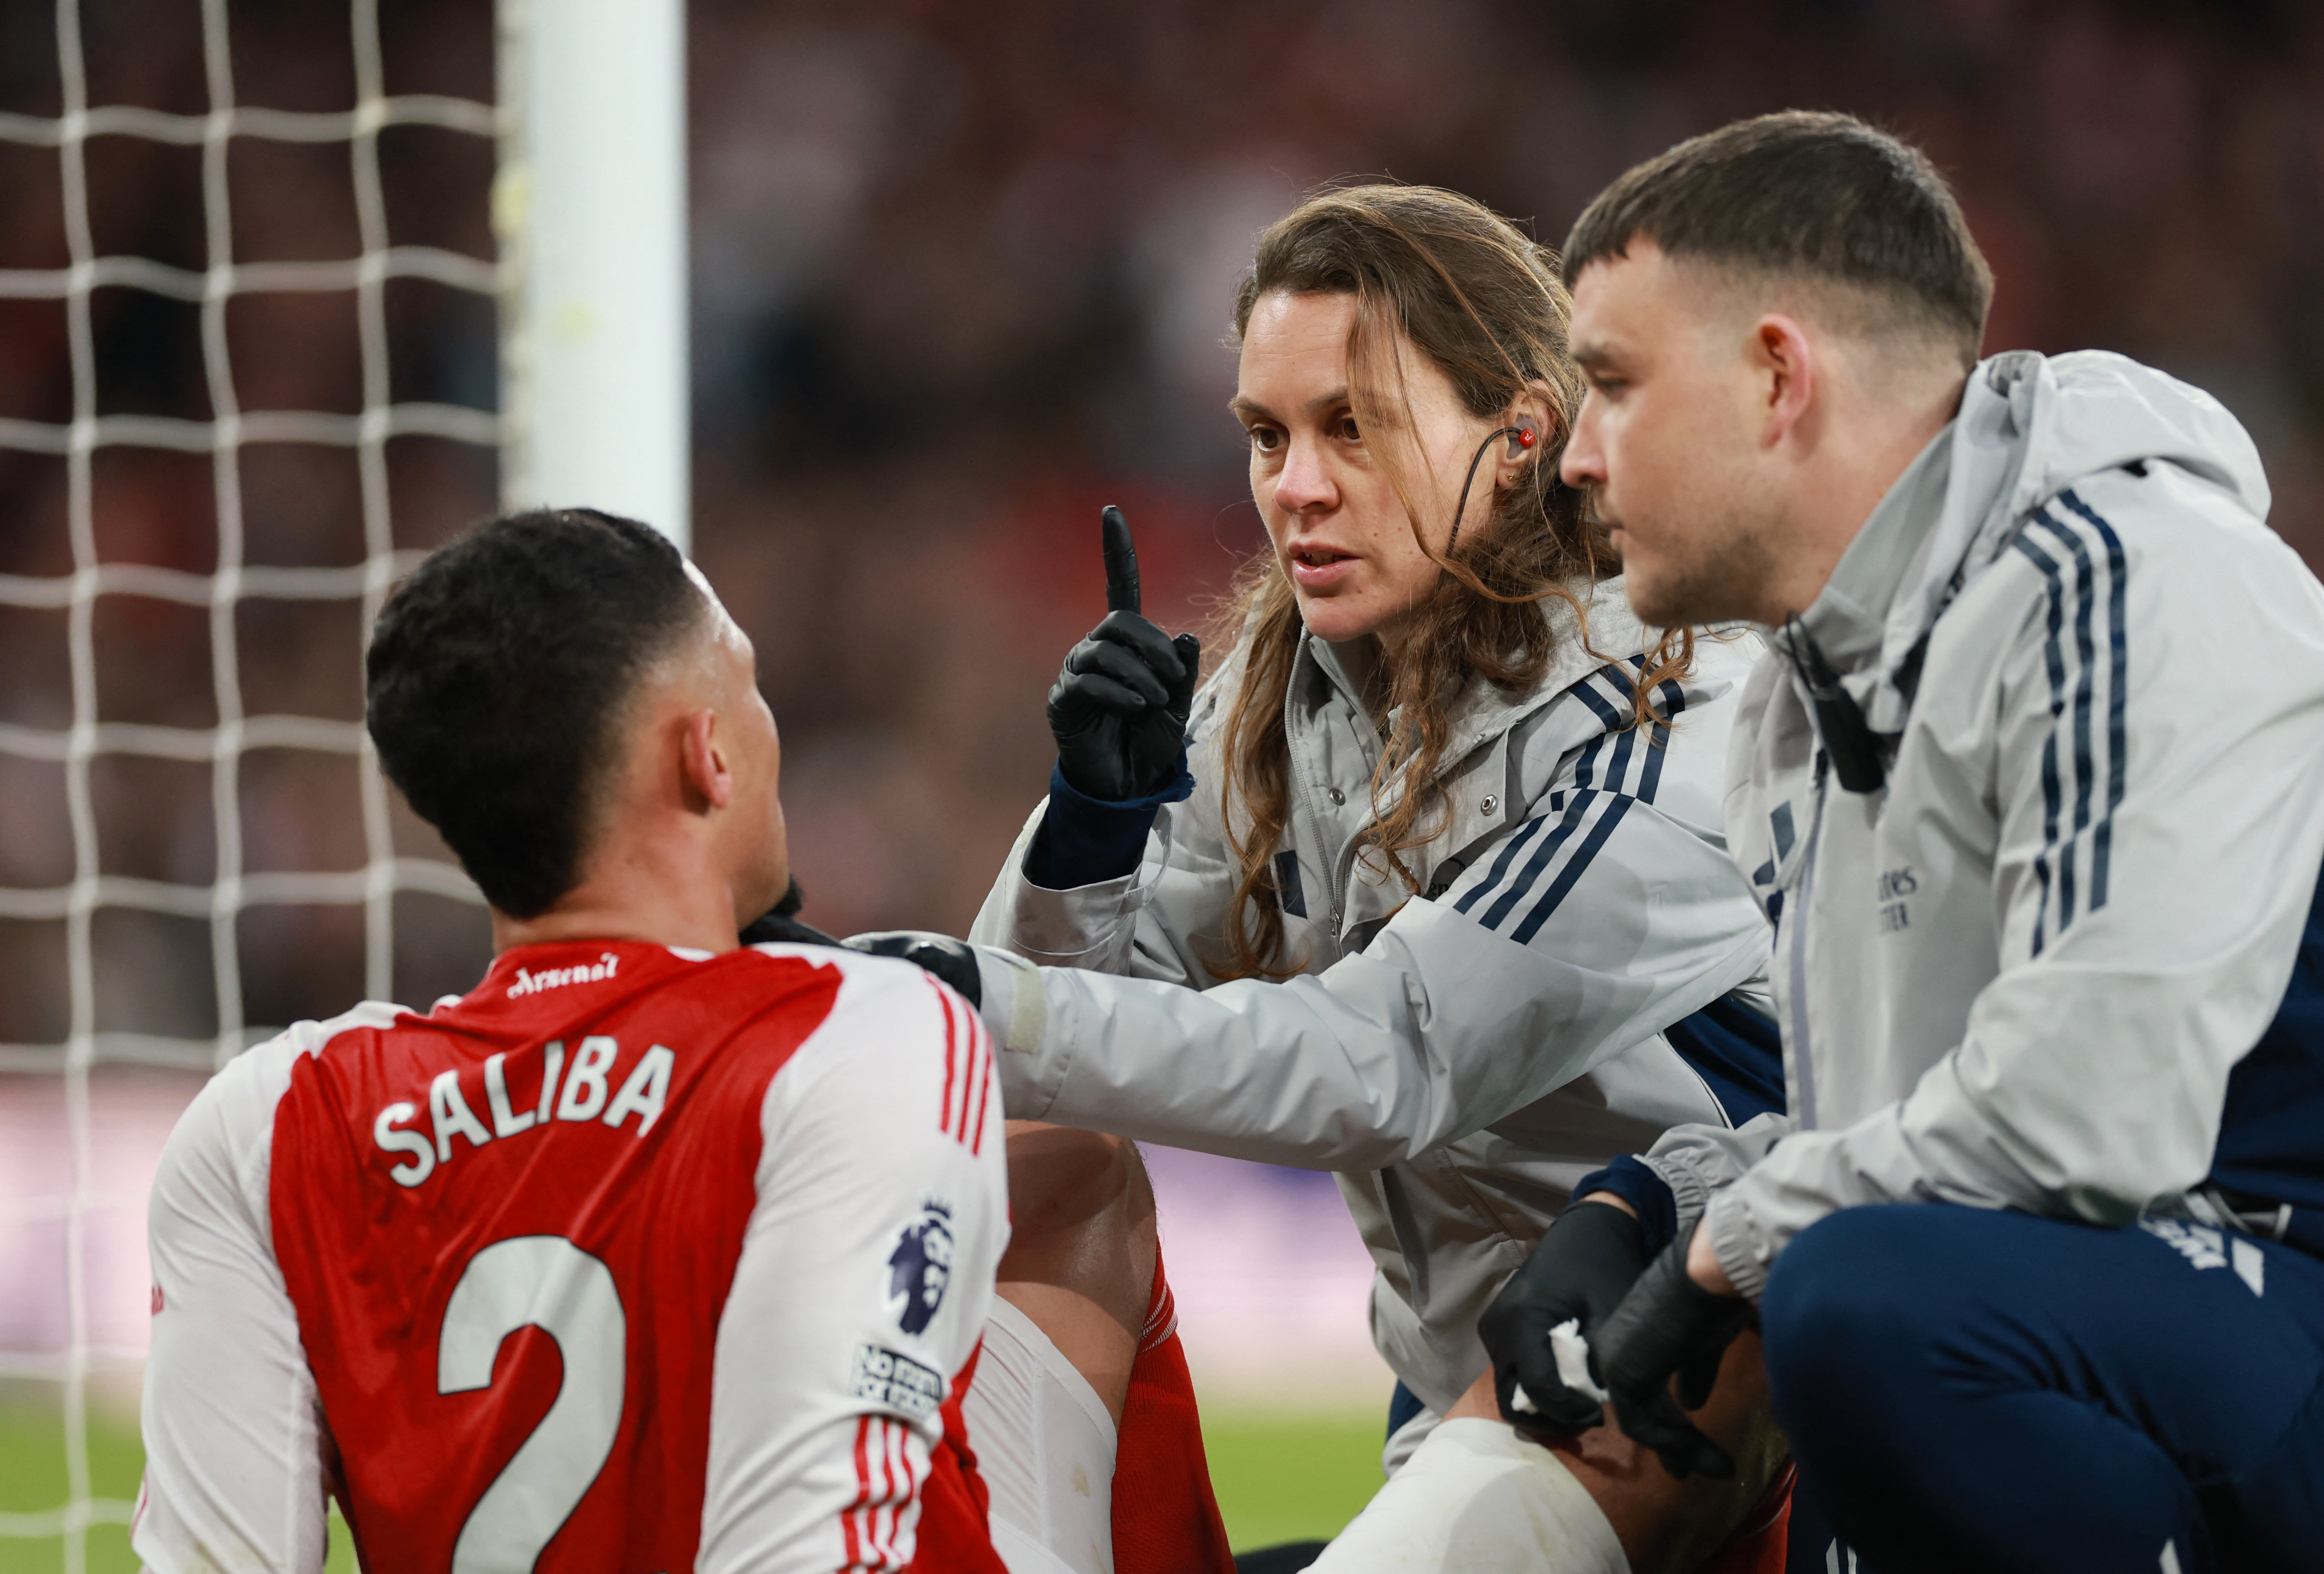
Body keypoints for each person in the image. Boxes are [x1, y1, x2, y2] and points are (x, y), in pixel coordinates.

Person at [1493, 110, 2324, 1573]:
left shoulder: (2126, 580)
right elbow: (1906, 1127)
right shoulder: (1806, 706)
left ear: (1776, 376)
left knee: (1870, 1308)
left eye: (1613, 384)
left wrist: (1722, 1244)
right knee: (1800, 1328)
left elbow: (2081, 1120)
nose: (1574, 455)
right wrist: (1650, 1203)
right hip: (2191, 1325)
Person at [921, 184, 1796, 1568]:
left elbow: (1383, 1062)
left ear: (1519, 437)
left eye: (1353, 427)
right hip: (1460, 1402)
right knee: (1046, 1149)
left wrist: (973, 993)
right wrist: (1086, 830)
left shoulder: (1669, 711)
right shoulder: (1292, 701)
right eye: (1268, 436)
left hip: (1709, 1396)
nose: (1296, 486)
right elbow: (1037, 1062)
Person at [132, 508, 1205, 1574]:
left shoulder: (267, 1118)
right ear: (708, 756)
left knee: (1067, 1169)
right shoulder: (853, 1030)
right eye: (747, 684)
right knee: (1078, 1171)